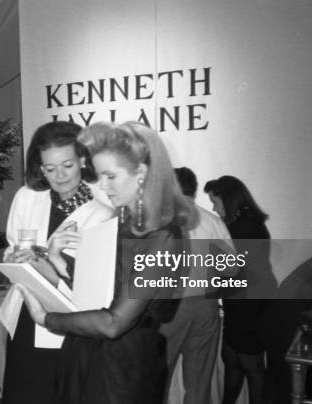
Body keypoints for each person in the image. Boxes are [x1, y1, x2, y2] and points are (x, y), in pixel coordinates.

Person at [18, 121, 199, 404]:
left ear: (141, 173)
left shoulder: (163, 237)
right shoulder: (125, 222)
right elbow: (103, 290)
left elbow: (114, 322)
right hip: (91, 356)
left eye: (109, 176)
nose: (101, 185)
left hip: (121, 370)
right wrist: (57, 263)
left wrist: (47, 319)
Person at [1, 121, 114, 404]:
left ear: (83, 160)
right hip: (28, 314)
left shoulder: (102, 212)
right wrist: (15, 260)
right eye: (49, 169)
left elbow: (95, 287)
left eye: (67, 166)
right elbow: (11, 247)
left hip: (72, 323)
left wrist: (45, 269)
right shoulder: (27, 198)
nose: (60, 176)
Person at [160, 167, 234, 404]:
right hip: (206, 306)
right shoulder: (212, 220)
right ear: (192, 189)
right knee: (199, 382)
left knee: (158, 377)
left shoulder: (161, 222)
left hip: (170, 308)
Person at [204, 175, 276, 404]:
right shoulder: (243, 223)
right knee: (232, 358)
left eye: (216, 202)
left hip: (249, 303)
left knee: (250, 362)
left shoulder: (245, 226)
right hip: (241, 301)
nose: (214, 209)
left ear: (229, 199)